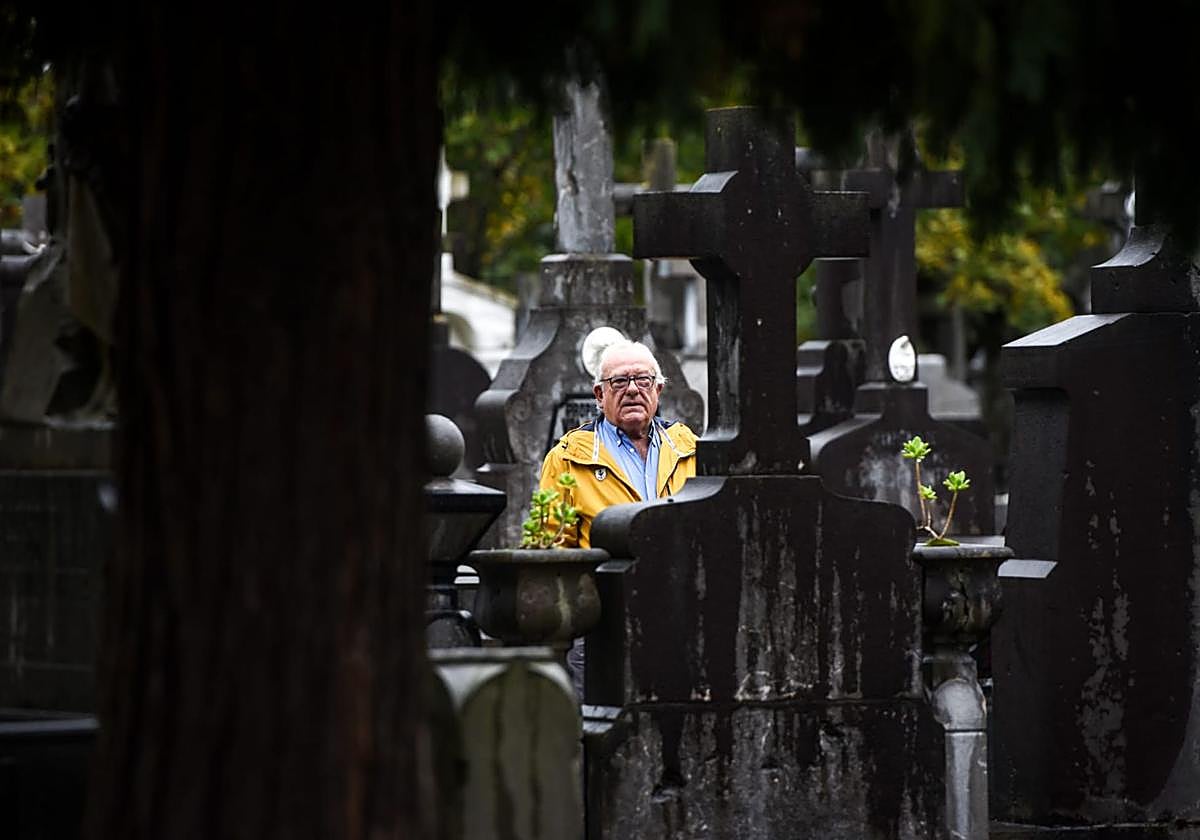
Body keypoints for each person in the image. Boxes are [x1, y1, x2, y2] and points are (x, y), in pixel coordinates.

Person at [538, 339, 698, 548]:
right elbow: (549, 552)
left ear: (657, 390)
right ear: (599, 395)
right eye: (619, 381)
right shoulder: (566, 460)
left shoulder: (691, 450)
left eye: (643, 379)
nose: (632, 389)